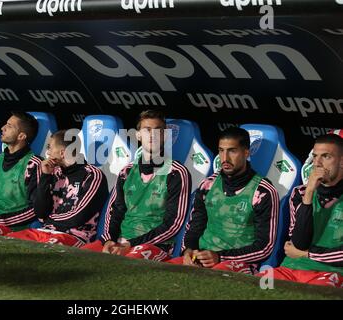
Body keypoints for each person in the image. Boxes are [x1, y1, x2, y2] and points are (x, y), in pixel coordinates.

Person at [81, 110, 192, 261]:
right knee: (80, 256)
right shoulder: (126, 172)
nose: (152, 135)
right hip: (120, 241)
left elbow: (173, 223)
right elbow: (114, 211)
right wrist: (108, 240)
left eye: (158, 130)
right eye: (147, 130)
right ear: (138, 135)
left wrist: (131, 244)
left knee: (123, 264)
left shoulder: (177, 173)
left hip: (155, 245)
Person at [168, 127, 279, 275]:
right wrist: (188, 251)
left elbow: (265, 247)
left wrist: (220, 257)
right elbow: (194, 228)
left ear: (246, 153)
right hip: (201, 257)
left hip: (237, 264)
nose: (225, 158)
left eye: (232, 151)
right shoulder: (208, 185)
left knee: (212, 279)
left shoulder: (264, 192)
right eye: (221, 150)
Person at [257, 134, 342, 287]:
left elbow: (301, 250)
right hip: (290, 268)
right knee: (255, 286)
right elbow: (299, 243)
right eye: (315, 157)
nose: (318, 163)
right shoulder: (300, 193)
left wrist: (306, 254)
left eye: (326, 157)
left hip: (330, 273)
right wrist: (309, 193)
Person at [7, 130, 108, 247]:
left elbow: (78, 216)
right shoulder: (53, 171)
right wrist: (45, 176)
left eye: (50, 147)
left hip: (75, 236)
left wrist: (47, 219)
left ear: (62, 153)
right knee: (10, 242)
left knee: (41, 251)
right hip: (46, 231)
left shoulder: (93, 175)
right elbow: (40, 211)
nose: (48, 152)